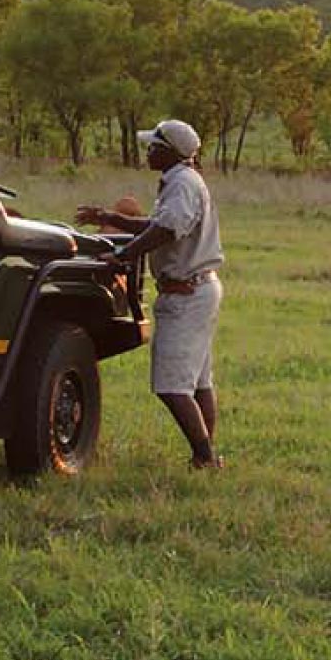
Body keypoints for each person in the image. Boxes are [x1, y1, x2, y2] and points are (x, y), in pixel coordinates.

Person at [77, 120, 225, 469]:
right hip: (198, 289)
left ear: (169, 151)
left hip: (186, 293)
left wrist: (122, 255)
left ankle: (205, 458)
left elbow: (166, 230)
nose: (148, 152)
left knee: (172, 385)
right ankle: (205, 454)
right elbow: (156, 225)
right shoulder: (181, 182)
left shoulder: (183, 184)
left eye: (153, 146)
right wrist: (110, 217)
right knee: (198, 379)